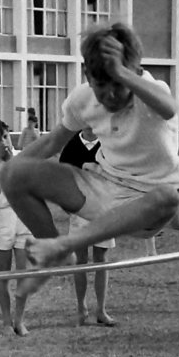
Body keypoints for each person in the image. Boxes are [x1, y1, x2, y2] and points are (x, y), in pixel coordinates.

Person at [0, 22, 179, 298]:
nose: (109, 96)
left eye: (118, 86)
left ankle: (65, 245)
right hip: (104, 187)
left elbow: (169, 108)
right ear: (88, 75)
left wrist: (121, 72)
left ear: (133, 73)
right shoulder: (82, 98)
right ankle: (56, 251)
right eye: (101, 87)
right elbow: (51, 142)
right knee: (14, 174)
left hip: (149, 204)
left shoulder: (151, 90)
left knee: (169, 197)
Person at [58, 126, 117, 327]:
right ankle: (81, 308)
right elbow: (62, 177)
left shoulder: (108, 144)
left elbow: (118, 173)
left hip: (103, 209)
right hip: (80, 210)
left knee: (101, 258)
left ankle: (101, 309)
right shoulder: (72, 146)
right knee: (80, 260)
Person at [0, 119, 31, 336]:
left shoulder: (23, 158)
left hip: (22, 216)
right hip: (1, 217)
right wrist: (0, 162)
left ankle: (20, 319)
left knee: (23, 271)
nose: (3, 142)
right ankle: (6, 320)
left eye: (5, 136)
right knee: (3, 273)